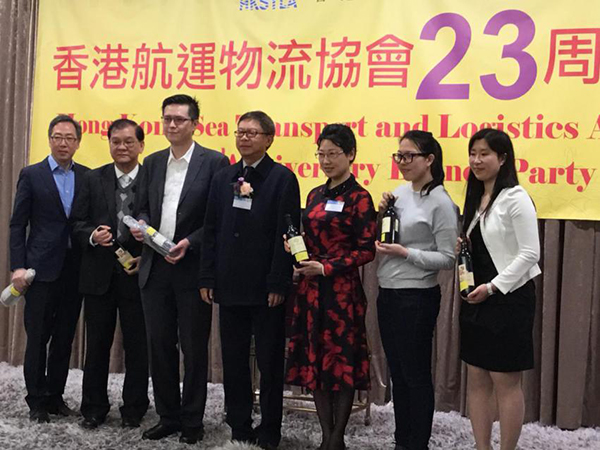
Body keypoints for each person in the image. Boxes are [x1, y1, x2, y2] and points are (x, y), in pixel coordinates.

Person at [199, 111, 301, 450]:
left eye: (252, 133)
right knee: (234, 360)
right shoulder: (224, 176)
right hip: (228, 283)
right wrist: (207, 275)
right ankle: (239, 424)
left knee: (269, 363)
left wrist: (278, 282)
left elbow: (288, 232)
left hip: (265, 286)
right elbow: (211, 229)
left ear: (269, 139)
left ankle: (270, 428)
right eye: (240, 132)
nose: (244, 138)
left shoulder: (282, 178)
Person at [131, 94, 229, 444]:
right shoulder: (153, 162)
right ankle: (168, 416)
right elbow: (142, 206)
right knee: (159, 345)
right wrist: (141, 225)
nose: (172, 125)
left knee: (193, 347)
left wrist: (190, 242)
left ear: (195, 124)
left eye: (179, 119)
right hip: (155, 266)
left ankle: (192, 420)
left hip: (192, 269)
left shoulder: (214, 162)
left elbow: (217, 217)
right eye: (167, 118)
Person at [285, 123, 377, 450]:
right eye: (321, 154)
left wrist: (326, 267)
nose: (326, 161)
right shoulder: (314, 194)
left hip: (342, 292)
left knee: (342, 363)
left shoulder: (360, 197)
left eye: (333, 154)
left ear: (350, 154)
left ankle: (337, 438)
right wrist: (296, 250)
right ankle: (326, 436)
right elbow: (309, 237)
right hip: (311, 290)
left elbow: (366, 250)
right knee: (316, 361)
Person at [376, 130, 458, 450]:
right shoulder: (399, 193)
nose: (402, 162)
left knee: (415, 374)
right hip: (388, 291)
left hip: (417, 297)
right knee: (397, 372)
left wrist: (406, 253)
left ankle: (417, 443)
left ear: (429, 159)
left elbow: (448, 258)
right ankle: (402, 440)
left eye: (409, 156)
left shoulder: (441, 202)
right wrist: (382, 212)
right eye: (399, 155)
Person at [458, 128, 540, 450]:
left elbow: (530, 253)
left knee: (505, 381)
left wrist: (493, 287)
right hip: (474, 297)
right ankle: (482, 447)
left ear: (503, 158)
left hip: (508, 297)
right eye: (473, 153)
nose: (476, 160)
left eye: (485, 154)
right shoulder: (474, 197)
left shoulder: (515, 197)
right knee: (477, 378)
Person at [9, 114, 90, 423]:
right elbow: (18, 224)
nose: (63, 143)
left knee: (64, 337)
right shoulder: (32, 174)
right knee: (38, 337)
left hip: (75, 268)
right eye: (57, 137)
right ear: (49, 139)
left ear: (78, 142)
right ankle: (36, 400)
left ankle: (55, 396)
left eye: (69, 138)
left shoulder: (87, 176)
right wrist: (18, 266)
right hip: (40, 269)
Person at [71, 118, 149, 429]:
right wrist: (92, 235)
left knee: (138, 346)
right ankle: (93, 408)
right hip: (98, 276)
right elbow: (76, 223)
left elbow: (162, 223)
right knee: (97, 345)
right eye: (116, 141)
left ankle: (134, 408)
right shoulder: (93, 178)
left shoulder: (152, 178)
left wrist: (147, 249)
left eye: (129, 141)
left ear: (141, 145)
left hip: (137, 274)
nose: (122, 147)